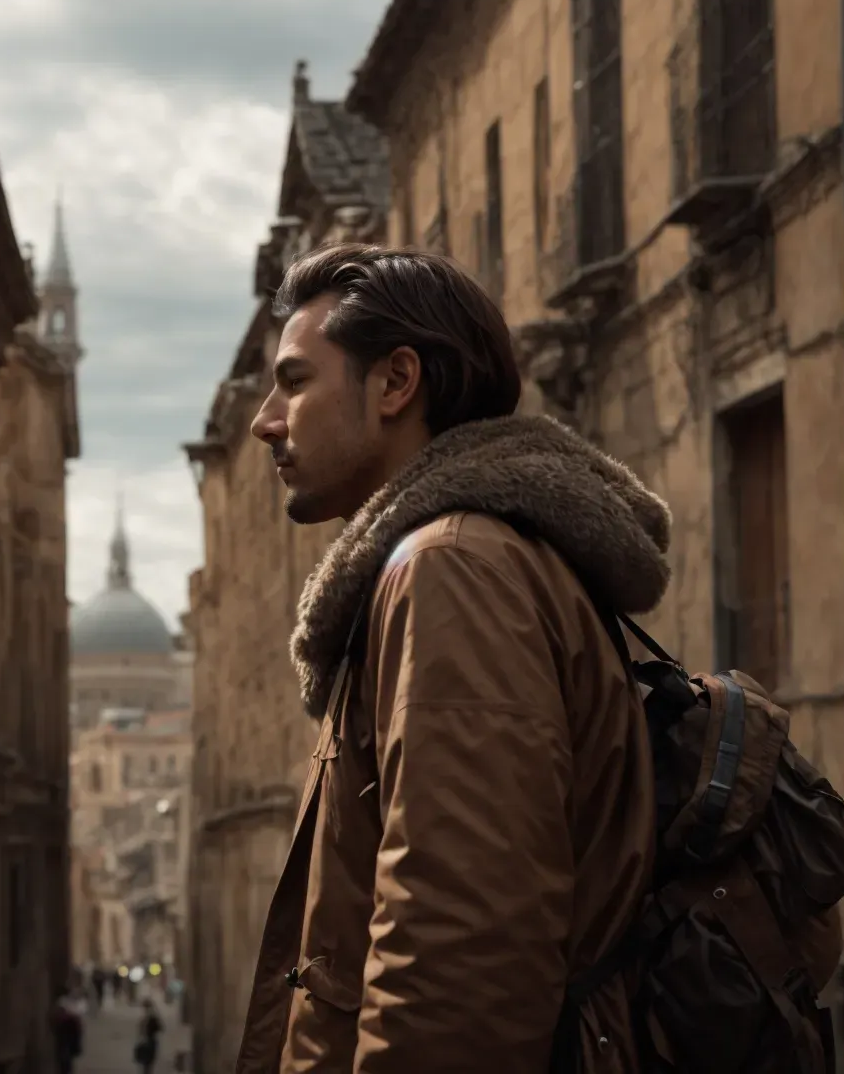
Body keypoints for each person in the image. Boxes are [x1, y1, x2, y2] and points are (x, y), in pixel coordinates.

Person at [232, 244, 662, 1073]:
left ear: (396, 383)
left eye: (294, 381)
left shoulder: (451, 569)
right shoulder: (453, 561)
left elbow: (460, 957)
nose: (265, 420)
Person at [51, 994, 84, 1074]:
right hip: (67, 1033)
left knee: (65, 1057)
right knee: (65, 1057)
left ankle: (66, 1069)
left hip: (67, 1033)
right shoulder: (66, 1003)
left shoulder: (64, 1003)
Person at [135, 999, 163, 1074]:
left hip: (149, 1041)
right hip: (149, 1041)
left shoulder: (150, 1018)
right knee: (147, 1064)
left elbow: (159, 1028)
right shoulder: (147, 1018)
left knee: (147, 1063)